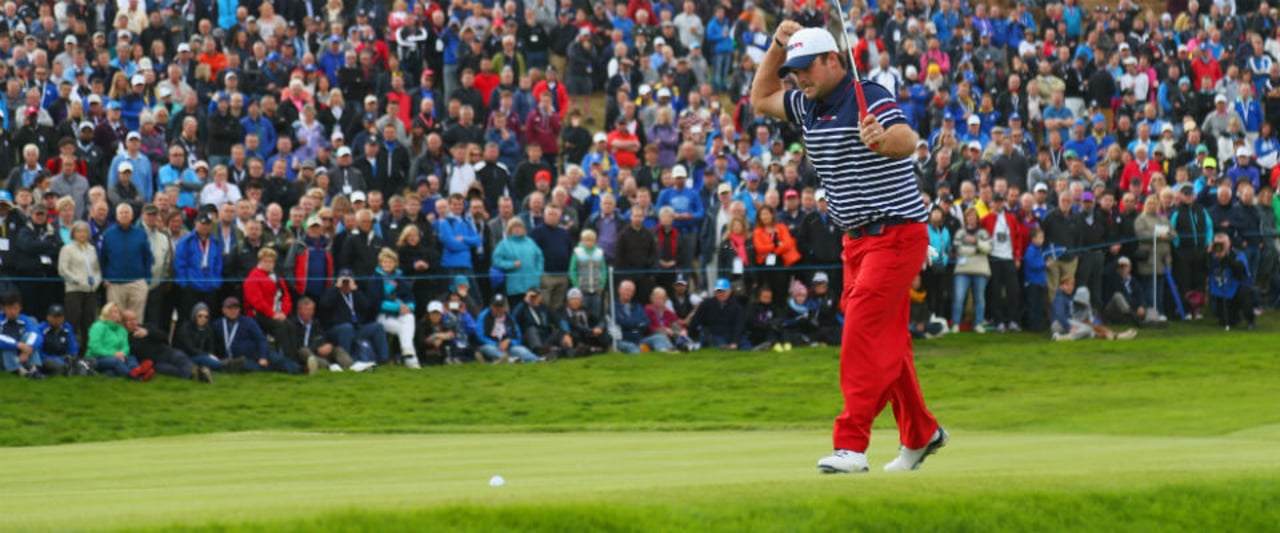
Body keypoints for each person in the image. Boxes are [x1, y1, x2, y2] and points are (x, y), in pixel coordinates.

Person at [753, 23, 945, 473]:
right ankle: (920, 433)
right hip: (856, 242)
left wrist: (880, 138)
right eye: (793, 71)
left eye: (806, 69)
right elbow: (761, 97)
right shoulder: (806, 105)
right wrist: (778, 45)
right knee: (888, 341)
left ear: (833, 61)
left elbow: (908, 140)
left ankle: (851, 445)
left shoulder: (867, 93)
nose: (798, 78)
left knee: (861, 332)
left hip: (895, 234)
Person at [212, 297, 301, 375]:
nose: (233, 311)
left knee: (278, 360)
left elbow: (261, 339)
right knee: (247, 366)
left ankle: (302, 369)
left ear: (239, 310)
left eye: (235, 308)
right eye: (229, 308)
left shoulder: (248, 321)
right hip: (239, 359)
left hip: (256, 353)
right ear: (223, 310)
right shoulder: (217, 325)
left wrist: (263, 356)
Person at [282, 297, 372, 373]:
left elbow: (321, 337)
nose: (309, 313)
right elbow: (296, 345)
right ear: (299, 310)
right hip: (302, 353)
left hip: (316, 351)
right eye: (306, 310)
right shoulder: (292, 324)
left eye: (311, 310)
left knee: (337, 349)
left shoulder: (315, 323)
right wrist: (316, 350)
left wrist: (326, 346)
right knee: (304, 351)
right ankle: (329, 366)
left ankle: (351, 365)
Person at [320, 269, 389, 365]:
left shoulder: (355, 294)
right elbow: (325, 304)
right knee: (347, 328)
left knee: (378, 326)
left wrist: (355, 291)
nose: (346, 284)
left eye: (348, 281)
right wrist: (336, 288)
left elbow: (367, 307)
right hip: (337, 329)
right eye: (344, 281)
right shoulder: (332, 292)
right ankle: (346, 360)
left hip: (356, 328)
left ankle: (383, 359)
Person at [122, 309, 212, 383]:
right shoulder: (125, 337)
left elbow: (164, 337)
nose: (133, 322)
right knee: (174, 371)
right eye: (129, 320)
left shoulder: (147, 326)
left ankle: (197, 373)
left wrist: (148, 332)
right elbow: (133, 351)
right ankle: (199, 374)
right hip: (155, 362)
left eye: (134, 319)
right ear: (124, 323)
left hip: (166, 352)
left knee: (181, 359)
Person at [99, 203, 154, 319]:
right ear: (116, 216)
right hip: (115, 285)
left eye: (127, 213)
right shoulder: (108, 234)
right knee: (116, 319)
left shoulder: (140, 233)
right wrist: (105, 278)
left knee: (136, 319)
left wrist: (147, 279)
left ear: (132, 216)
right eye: (121, 213)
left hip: (137, 283)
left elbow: (148, 257)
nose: (124, 215)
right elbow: (102, 259)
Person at [172, 210, 224, 325]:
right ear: (196, 223)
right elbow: (180, 264)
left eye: (208, 224)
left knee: (208, 319)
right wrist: (185, 284)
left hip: (210, 287)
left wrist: (216, 282)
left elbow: (218, 264)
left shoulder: (215, 242)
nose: (205, 227)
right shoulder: (186, 241)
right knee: (187, 318)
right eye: (203, 223)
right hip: (191, 287)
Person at [242, 248, 296, 357]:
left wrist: (284, 313)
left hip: (278, 313)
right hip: (260, 314)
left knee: (291, 326)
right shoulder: (253, 277)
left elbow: (286, 297)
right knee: (281, 328)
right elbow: (257, 302)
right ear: (260, 261)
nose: (268, 264)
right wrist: (273, 314)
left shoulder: (277, 277)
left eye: (271, 261)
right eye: (265, 261)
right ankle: (286, 358)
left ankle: (294, 356)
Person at [372, 248, 420, 369]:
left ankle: (408, 352)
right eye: (385, 262)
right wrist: (398, 307)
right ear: (380, 263)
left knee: (409, 318)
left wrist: (409, 307)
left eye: (390, 262)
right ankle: (412, 361)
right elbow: (377, 303)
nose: (387, 264)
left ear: (395, 264)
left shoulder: (400, 278)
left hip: (400, 313)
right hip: (382, 316)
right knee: (404, 329)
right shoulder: (375, 279)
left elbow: (410, 298)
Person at [57, 221, 100, 352]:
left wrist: (97, 282)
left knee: (89, 322)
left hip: (91, 291)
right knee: (73, 321)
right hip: (74, 290)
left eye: (85, 231)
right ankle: (69, 351)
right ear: (73, 234)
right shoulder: (67, 249)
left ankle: (86, 351)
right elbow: (63, 270)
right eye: (79, 231)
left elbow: (97, 269)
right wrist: (78, 281)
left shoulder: (91, 249)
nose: (82, 234)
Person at [1050, 277, 1137, 341]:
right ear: (1061, 286)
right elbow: (1060, 315)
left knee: (1090, 331)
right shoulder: (1060, 298)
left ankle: (1115, 336)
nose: (1070, 287)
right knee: (1088, 329)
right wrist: (1069, 327)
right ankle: (1065, 338)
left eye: (1072, 285)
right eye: (1067, 285)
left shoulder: (1069, 298)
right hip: (1059, 323)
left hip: (1067, 322)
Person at [85, 302, 153, 381]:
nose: (114, 314)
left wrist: (122, 354)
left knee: (130, 358)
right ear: (105, 313)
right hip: (96, 358)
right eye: (111, 312)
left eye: (117, 312)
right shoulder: (98, 326)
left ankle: (137, 370)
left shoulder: (122, 330)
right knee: (116, 362)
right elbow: (94, 347)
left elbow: (126, 346)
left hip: (117, 357)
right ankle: (137, 377)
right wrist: (113, 354)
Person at [951, 208, 993, 333]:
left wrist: (975, 242)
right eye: (969, 216)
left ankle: (978, 323)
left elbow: (988, 248)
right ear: (965, 218)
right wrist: (976, 250)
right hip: (962, 270)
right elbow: (959, 250)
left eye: (973, 216)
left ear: (977, 218)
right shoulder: (960, 233)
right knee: (959, 297)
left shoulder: (983, 233)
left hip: (980, 270)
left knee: (979, 298)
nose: (971, 218)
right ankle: (956, 324)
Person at [1208, 233, 1256, 331]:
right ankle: (1233, 317)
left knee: (1245, 297)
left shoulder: (1238, 254)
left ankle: (1250, 320)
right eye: (1218, 243)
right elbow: (1203, 267)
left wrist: (1225, 258)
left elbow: (1239, 268)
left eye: (1223, 243)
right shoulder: (1212, 256)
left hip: (1237, 286)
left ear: (1229, 243)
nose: (1221, 246)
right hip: (1221, 288)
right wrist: (1208, 253)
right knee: (1226, 321)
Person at [475, 294, 541, 363]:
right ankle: (510, 360)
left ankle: (537, 360)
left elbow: (517, 337)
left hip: (508, 347)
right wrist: (497, 344)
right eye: (495, 306)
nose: (498, 309)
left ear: (504, 307)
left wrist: (509, 341)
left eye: (500, 306)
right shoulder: (484, 316)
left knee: (521, 350)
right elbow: (480, 336)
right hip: (491, 345)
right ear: (491, 306)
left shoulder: (510, 318)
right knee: (488, 349)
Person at [512, 288, 573, 359]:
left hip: (545, 337)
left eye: (536, 296)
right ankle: (542, 353)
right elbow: (513, 317)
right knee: (531, 329)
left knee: (559, 332)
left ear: (540, 297)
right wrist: (525, 301)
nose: (534, 299)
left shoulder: (545, 308)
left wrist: (566, 333)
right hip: (531, 339)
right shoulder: (523, 308)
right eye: (532, 297)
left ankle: (567, 350)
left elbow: (559, 319)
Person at [688, 278, 746, 349]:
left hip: (731, 334)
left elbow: (738, 326)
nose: (720, 294)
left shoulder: (736, 307)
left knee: (746, 345)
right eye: (718, 291)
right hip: (714, 335)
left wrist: (735, 342)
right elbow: (695, 320)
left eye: (723, 291)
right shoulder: (706, 304)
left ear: (729, 291)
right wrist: (689, 335)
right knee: (720, 344)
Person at [0, 292, 48, 379]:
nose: (13, 312)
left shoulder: (26, 320)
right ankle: (19, 371)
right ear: (3, 309)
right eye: (9, 308)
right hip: (4, 356)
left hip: (23, 354)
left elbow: (36, 334)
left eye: (15, 308)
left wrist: (28, 349)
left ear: (20, 308)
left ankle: (33, 370)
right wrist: (18, 344)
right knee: (6, 344)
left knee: (29, 337)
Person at [560, 288, 611, 356]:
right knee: (575, 335)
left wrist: (599, 327)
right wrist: (592, 331)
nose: (575, 302)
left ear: (581, 301)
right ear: (568, 301)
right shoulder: (564, 311)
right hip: (575, 334)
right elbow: (576, 325)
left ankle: (594, 348)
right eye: (572, 299)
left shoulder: (585, 310)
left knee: (605, 335)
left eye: (577, 299)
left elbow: (600, 319)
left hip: (587, 334)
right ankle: (583, 349)